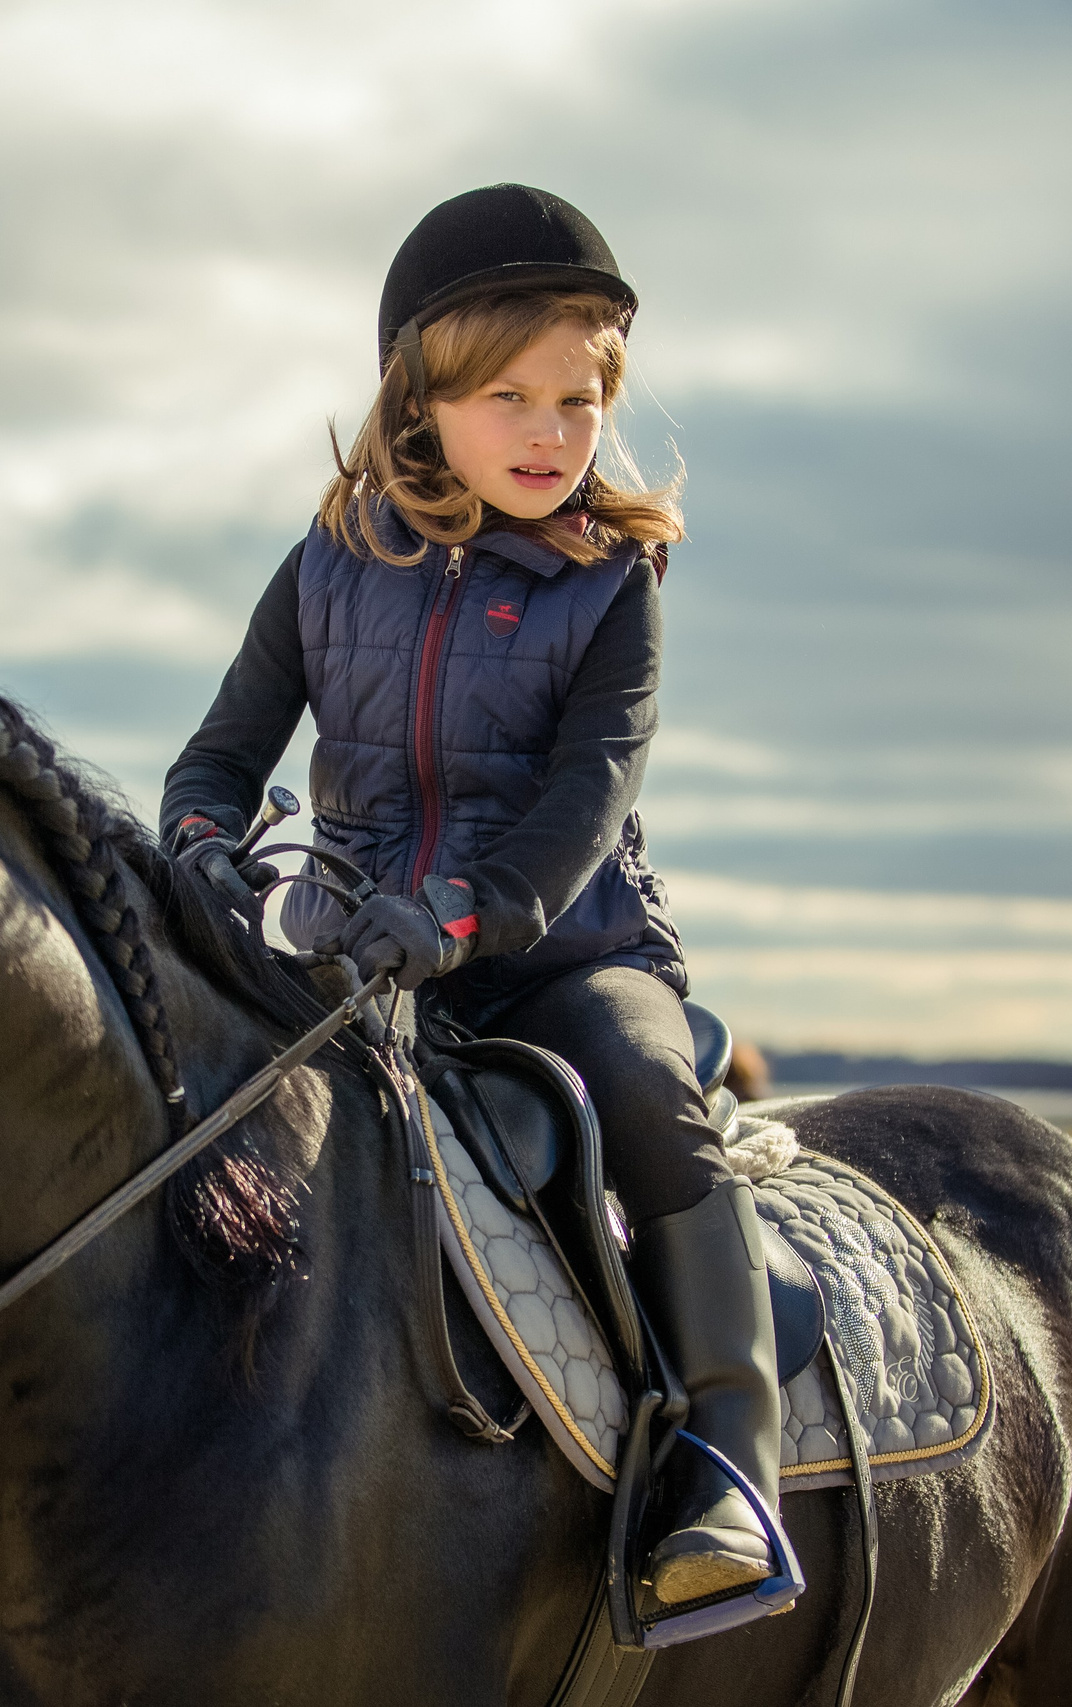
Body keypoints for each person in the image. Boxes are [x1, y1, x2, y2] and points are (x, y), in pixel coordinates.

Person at [160, 184, 781, 1608]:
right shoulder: (329, 561)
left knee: (643, 1089)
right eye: (513, 397)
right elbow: (222, 753)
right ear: (419, 395)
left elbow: (587, 802)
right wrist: (199, 841)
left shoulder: (615, 582)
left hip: (559, 955)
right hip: (351, 960)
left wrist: (455, 916)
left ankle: (729, 1456)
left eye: (579, 400)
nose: (554, 434)